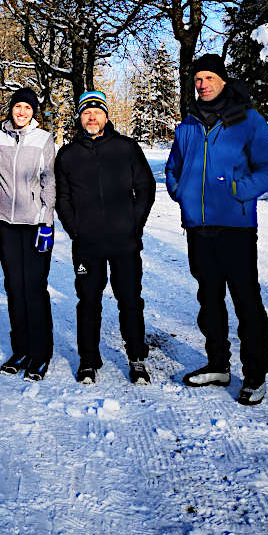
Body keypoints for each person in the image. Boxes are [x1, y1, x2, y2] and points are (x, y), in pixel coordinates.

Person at [165, 54, 268, 405]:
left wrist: (236, 191)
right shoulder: (187, 124)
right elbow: (173, 168)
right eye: (198, 79)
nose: (202, 85)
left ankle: (255, 375)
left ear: (223, 81)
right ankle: (218, 364)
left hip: (235, 227)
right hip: (198, 226)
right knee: (209, 299)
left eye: (209, 78)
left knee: (246, 301)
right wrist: (181, 191)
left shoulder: (248, 120)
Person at [55, 90, 156, 386]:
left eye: (97, 111)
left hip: (124, 242)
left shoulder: (126, 148)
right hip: (87, 245)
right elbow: (62, 197)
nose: (92, 117)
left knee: (130, 299)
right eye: (86, 112)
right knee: (88, 301)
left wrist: (134, 225)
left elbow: (146, 187)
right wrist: (75, 229)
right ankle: (88, 360)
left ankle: (136, 357)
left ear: (106, 116)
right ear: (79, 117)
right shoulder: (68, 155)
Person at [0, 88, 57, 381]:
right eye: (18, 107)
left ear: (33, 112)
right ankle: (21, 350)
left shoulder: (43, 139)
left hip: (35, 223)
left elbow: (49, 181)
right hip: (5, 222)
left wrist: (47, 222)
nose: (22, 112)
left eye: (27, 107)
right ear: (11, 109)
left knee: (34, 288)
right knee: (14, 287)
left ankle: (40, 353)